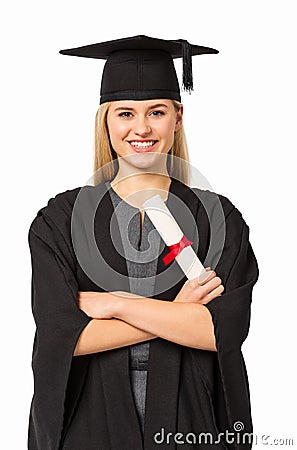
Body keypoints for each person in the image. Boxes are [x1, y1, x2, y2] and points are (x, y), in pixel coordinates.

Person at [27, 35, 259, 450]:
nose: (141, 128)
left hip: (191, 421)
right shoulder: (60, 220)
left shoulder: (219, 218)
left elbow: (218, 331)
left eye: (157, 112)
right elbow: (66, 337)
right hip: (91, 421)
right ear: (106, 121)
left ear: (178, 117)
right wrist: (174, 316)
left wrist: (115, 305)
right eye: (125, 113)